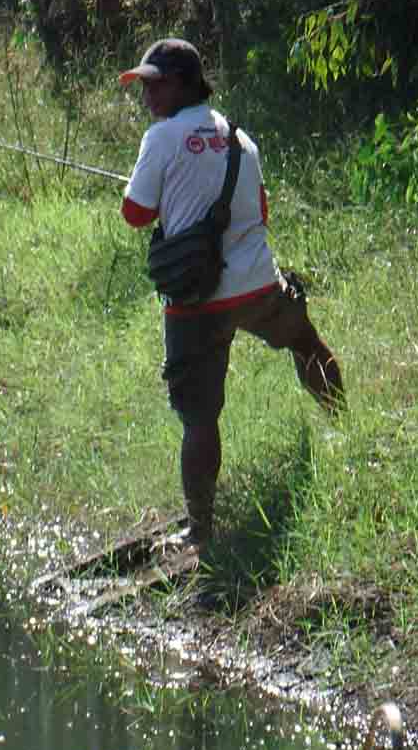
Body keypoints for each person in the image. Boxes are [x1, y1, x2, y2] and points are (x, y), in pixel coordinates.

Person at [119, 38, 343, 550]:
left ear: (183, 83)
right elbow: (258, 213)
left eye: (155, 84)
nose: (147, 95)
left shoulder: (161, 138)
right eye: (145, 86)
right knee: (306, 342)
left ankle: (200, 533)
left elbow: (135, 215)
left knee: (200, 419)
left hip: (195, 303)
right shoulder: (241, 140)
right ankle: (346, 428)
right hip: (258, 287)